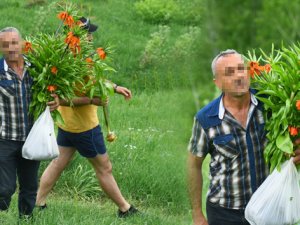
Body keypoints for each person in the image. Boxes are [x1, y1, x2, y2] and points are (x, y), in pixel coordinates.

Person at [36, 17, 138, 218]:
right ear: (75, 37)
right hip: (85, 128)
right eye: (87, 33)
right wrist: (92, 101)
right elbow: (61, 98)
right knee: (104, 168)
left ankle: (38, 203)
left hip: (68, 125)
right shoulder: (75, 63)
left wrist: (115, 88)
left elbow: (96, 79)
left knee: (58, 163)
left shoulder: (69, 58)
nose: (91, 37)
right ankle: (125, 209)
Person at [187, 49, 300, 225]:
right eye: (229, 72)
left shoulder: (270, 106)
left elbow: (289, 140)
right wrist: (197, 214)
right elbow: (194, 166)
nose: (238, 76)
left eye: (241, 69)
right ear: (217, 82)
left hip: (267, 205)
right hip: (225, 213)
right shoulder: (206, 119)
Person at [0, 27, 59, 218]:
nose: (11, 48)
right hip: (5, 139)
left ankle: (26, 220)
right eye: (5, 44)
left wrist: (55, 101)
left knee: (29, 188)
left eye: (14, 42)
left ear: (23, 43)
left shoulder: (37, 69)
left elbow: (51, 94)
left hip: (32, 138)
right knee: (5, 189)